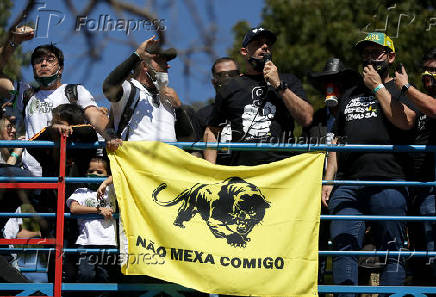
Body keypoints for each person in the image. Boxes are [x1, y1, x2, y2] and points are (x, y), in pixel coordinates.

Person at [322, 32, 417, 295]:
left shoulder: (402, 88)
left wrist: (378, 88)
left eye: (375, 52)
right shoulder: (349, 93)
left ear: (390, 56)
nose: (369, 58)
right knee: (343, 246)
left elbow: (406, 122)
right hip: (349, 183)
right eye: (365, 53)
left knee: (392, 250)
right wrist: (329, 179)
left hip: (389, 181)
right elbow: (337, 141)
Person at [0, 27, 108, 177]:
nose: (43, 64)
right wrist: (14, 41)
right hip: (32, 176)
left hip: (67, 175)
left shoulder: (74, 92)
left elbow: (95, 116)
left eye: (50, 60)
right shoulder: (24, 94)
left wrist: (112, 137)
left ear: (61, 68)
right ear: (33, 68)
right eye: (38, 61)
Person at [203, 26, 313, 165]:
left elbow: (307, 118)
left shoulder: (288, 80)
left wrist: (279, 86)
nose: (265, 46)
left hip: (283, 169)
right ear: (244, 51)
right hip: (243, 172)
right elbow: (212, 130)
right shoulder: (230, 87)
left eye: (267, 44)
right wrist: (210, 170)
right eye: (258, 43)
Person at [103, 35, 193, 151]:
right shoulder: (129, 88)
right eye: (160, 61)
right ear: (145, 65)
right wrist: (137, 55)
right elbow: (108, 87)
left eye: (167, 61)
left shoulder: (169, 98)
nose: (167, 65)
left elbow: (188, 138)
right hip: (137, 161)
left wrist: (179, 108)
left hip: (169, 162)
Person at [394, 48, 436, 283]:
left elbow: (433, 109)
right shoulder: (417, 102)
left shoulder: (423, 99)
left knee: (433, 250)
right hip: (413, 186)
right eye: (427, 69)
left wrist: (407, 88)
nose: (429, 74)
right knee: (418, 251)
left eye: (434, 70)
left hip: (432, 187)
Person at [66, 156, 118, 297]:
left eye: (100, 172)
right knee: (85, 275)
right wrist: (98, 210)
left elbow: (122, 175)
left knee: (105, 278)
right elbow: (74, 208)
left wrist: (106, 183)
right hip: (86, 243)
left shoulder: (111, 190)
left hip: (108, 243)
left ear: (107, 174)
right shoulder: (81, 191)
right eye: (91, 171)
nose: (95, 174)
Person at [194, 57, 240, 164]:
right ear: (214, 81)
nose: (227, 79)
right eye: (221, 75)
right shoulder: (202, 115)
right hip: (217, 175)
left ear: (241, 77)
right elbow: (194, 152)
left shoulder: (253, 109)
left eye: (232, 74)